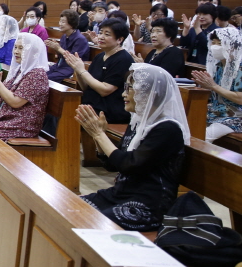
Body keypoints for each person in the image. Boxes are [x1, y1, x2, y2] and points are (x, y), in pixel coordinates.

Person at [76, 64, 189, 231]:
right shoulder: (138, 122)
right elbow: (112, 164)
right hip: (120, 195)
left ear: (149, 93)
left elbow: (129, 165)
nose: (123, 94)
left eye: (130, 88)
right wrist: (98, 137)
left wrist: (100, 135)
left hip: (147, 205)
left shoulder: (168, 129)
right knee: (70, 208)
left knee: (92, 223)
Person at [63, 18, 134, 124]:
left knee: (67, 116)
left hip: (109, 110)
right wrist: (77, 70)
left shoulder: (123, 59)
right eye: (100, 33)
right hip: (92, 105)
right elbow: (86, 87)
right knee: (62, 110)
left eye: (107, 34)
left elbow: (105, 90)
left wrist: (82, 71)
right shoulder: (100, 56)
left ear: (119, 39)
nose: (101, 37)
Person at [192, 25, 242, 142]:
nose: (215, 47)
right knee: (189, 123)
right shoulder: (218, 66)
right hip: (217, 112)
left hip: (236, 117)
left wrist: (214, 86)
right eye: (213, 43)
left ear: (232, 46)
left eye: (219, 43)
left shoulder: (240, 68)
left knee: (203, 137)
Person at [46, 8, 88, 82]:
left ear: (71, 24)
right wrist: (56, 49)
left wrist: (59, 48)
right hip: (60, 66)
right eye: (60, 21)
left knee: (46, 79)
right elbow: (60, 56)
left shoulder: (80, 39)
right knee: (40, 75)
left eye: (63, 22)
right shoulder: (64, 36)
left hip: (70, 69)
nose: (60, 24)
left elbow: (74, 60)